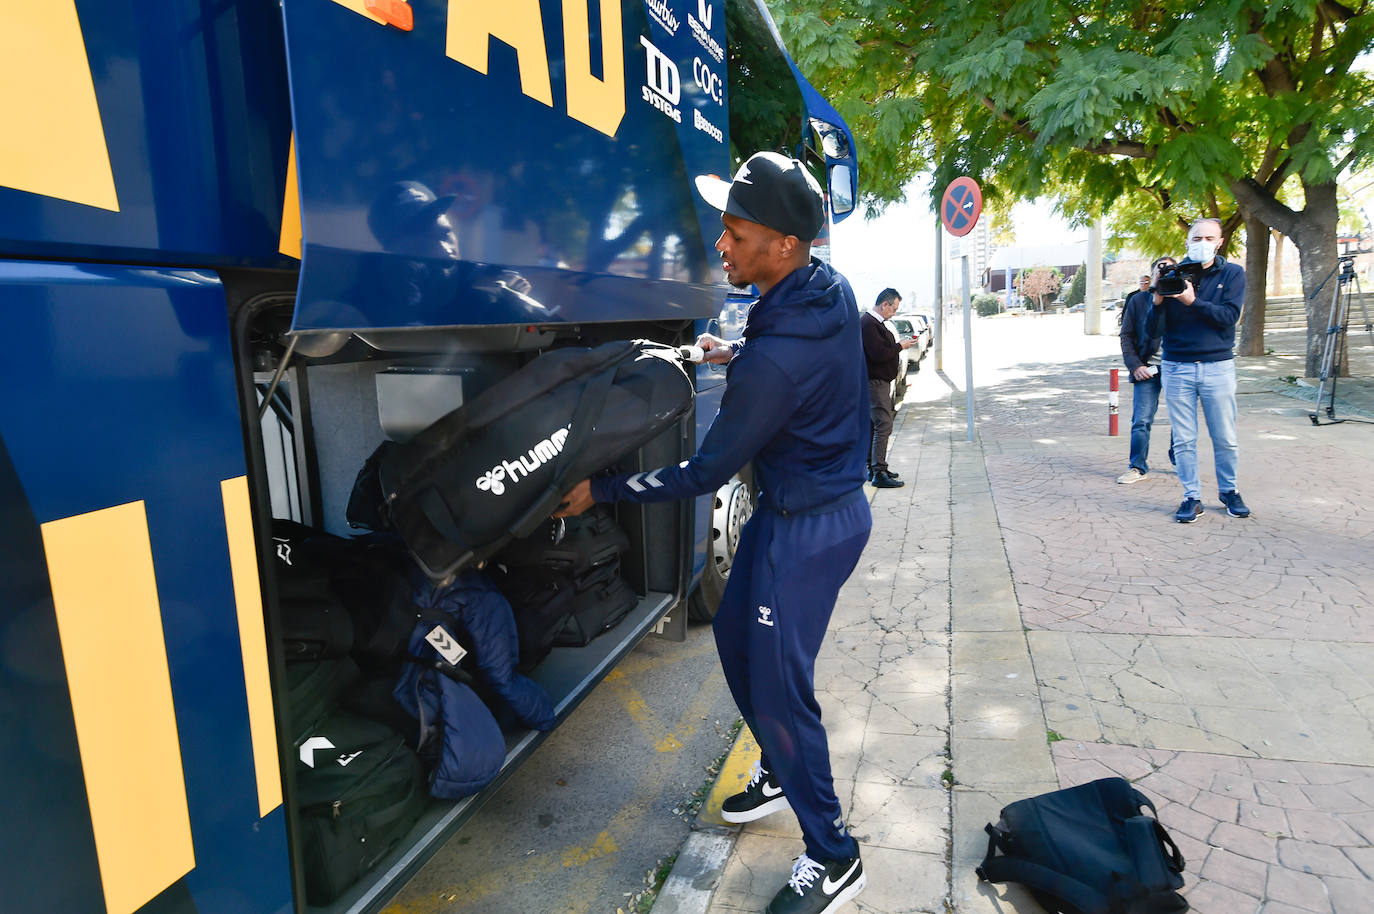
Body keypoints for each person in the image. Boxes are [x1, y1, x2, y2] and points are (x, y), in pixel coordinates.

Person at [556, 151, 870, 914]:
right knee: (733, 634)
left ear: (786, 246)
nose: (720, 247)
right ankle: (775, 763)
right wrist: (736, 350)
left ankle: (833, 854)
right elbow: (795, 358)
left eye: (735, 234)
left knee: (783, 690)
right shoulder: (824, 291)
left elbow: (702, 473)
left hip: (811, 531)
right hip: (800, 513)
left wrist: (598, 488)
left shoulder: (775, 365)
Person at [1149, 218, 1250, 523]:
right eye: (1196, 238)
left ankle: (1229, 491)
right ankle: (1191, 496)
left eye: (1209, 237)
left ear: (1219, 242)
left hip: (1217, 366)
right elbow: (1152, 331)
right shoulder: (1174, 275)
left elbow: (1228, 317)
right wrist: (1156, 297)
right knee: (1183, 439)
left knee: (1226, 437)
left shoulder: (1233, 273)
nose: (1202, 243)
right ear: (1187, 242)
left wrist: (1192, 301)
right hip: (1177, 367)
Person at [1116, 261, 1175, 484]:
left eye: (1170, 270)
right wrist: (1135, 365)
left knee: (1181, 419)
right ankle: (1137, 466)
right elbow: (1126, 335)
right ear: (1151, 275)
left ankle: (1178, 459)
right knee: (1141, 420)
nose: (1164, 274)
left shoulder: (1181, 298)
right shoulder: (1138, 301)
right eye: (1160, 271)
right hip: (1147, 369)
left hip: (1177, 368)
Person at [861, 288, 917, 487]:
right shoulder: (869, 324)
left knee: (874, 424)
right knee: (884, 424)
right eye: (894, 308)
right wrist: (900, 346)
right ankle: (878, 472)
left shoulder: (873, 323)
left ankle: (873, 467)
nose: (894, 313)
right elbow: (878, 354)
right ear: (885, 305)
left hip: (876, 382)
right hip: (875, 383)